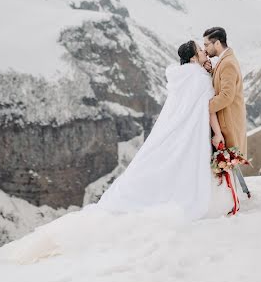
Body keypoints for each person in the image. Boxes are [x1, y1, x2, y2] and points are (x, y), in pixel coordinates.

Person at [92, 40, 232, 220]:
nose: (204, 51)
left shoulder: (181, 77)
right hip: (192, 132)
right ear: (193, 57)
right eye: (200, 50)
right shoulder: (200, 79)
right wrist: (218, 134)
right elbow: (209, 108)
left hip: (175, 129)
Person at [202, 26, 250, 199]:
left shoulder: (228, 63)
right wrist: (211, 72)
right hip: (226, 118)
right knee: (227, 162)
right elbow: (222, 82)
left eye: (207, 44)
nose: (205, 49)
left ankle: (232, 198)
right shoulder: (225, 60)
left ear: (217, 43)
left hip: (228, 121)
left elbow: (226, 96)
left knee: (228, 161)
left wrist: (202, 107)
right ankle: (232, 195)